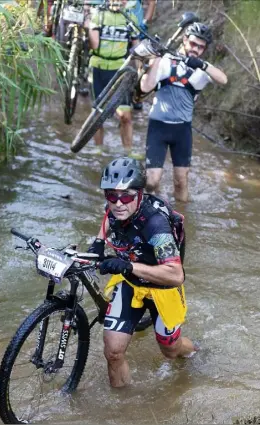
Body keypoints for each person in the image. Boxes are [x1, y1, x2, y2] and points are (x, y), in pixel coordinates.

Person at [87, 156, 196, 388]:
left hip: (162, 288)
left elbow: (176, 274)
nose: (118, 203)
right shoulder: (116, 207)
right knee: (113, 353)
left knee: (170, 350)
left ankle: (194, 352)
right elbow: (109, 216)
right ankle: (123, 409)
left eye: (126, 196)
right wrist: (98, 241)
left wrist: (129, 266)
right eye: (111, 195)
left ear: (139, 194)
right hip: (131, 283)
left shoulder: (156, 225)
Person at [139, 22, 228, 202]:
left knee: (181, 182)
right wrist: (155, 59)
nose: (196, 49)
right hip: (158, 127)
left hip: (182, 131)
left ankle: (181, 222)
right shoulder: (165, 61)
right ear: (184, 40)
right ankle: (148, 211)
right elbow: (145, 86)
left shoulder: (203, 70)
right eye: (193, 44)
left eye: (201, 47)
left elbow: (224, 80)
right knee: (151, 182)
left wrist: (201, 65)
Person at [87, 0, 140, 153]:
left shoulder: (131, 19)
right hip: (98, 68)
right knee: (98, 116)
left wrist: (139, 73)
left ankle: (128, 152)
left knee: (126, 116)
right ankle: (99, 150)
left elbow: (137, 47)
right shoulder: (99, 15)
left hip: (120, 70)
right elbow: (95, 45)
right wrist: (89, 26)